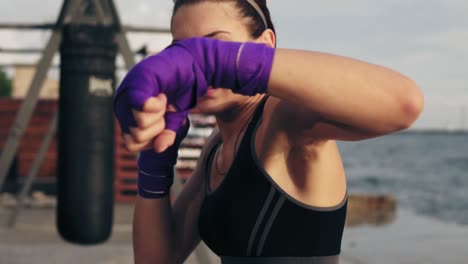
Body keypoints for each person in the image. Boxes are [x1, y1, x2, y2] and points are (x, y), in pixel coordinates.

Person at [113, 0, 424, 263]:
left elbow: (404, 103)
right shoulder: (216, 146)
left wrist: (217, 62)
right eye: (182, 50)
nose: (194, 65)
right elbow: (158, 258)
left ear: (265, 45)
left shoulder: (283, 118)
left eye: (213, 46)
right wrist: (154, 162)